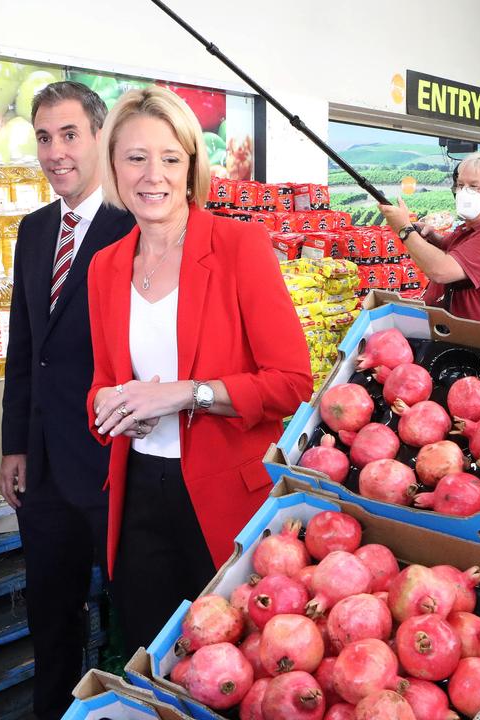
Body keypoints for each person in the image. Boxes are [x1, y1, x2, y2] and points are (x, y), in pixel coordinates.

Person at [86, 87, 312, 651]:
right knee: (154, 657)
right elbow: (101, 386)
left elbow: (291, 383)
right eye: (135, 158)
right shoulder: (104, 267)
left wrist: (186, 394)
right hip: (137, 495)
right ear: (113, 167)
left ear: (191, 166)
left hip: (227, 502)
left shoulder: (239, 247)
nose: (152, 174)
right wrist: (110, 410)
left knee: (233, 664)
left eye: (169, 157)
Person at [0, 81, 135, 717]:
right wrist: (15, 445)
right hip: (46, 467)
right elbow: (25, 347)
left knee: (135, 616)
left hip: (117, 459)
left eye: (69, 134)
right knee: (51, 617)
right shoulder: (32, 232)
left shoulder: (135, 225)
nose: (55, 152)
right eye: (44, 138)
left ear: (101, 137)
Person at [377, 153, 480, 321]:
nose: (464, 193)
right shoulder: (468, 229)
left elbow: (441, 271)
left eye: (473, 187)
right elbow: (452, 246)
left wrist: (404, 229)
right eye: (461, 185)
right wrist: (433, 237)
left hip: (470, 341)